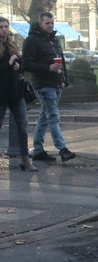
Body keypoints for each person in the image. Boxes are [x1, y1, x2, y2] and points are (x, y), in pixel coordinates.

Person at [22, 12, 76, 162]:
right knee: (52, 116)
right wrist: (48, 68)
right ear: (40, 24)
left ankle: (38, 149)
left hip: (56, 83)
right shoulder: (31, 41)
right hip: (43, 84)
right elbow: (26, 64)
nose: (51, 25)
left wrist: (64, 79)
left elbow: (62, 59)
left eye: (52, 23)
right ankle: (62, 149)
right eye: (47, 23)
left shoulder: (54, 39)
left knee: (45, 117)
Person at [0, 17, 37, 171]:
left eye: (6, 26)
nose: (4, 29)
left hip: (16, 91)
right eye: (1, 26)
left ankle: (25, 158)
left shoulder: (11, 44)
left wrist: (17, 65)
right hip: (1, 92)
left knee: (23, 125)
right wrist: (9, 63)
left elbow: (21, 65)